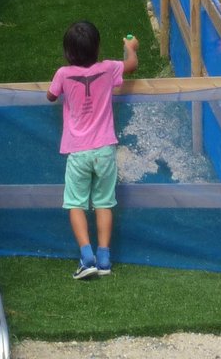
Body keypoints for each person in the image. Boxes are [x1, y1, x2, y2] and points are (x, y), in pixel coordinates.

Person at [47, 21, 139, 280]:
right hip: (105, 150)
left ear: (67, 52)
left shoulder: (64, 74)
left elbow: (51, 96)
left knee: (75, 203)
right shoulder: (109, 69)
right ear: (97, 48)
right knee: (104, 203)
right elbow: (131, 64)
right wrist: (130, 47)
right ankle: (105, 258)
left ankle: (86, 257)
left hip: (78, 151)